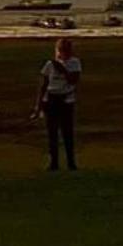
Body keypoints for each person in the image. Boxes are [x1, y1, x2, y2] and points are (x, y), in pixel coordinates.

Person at [34, 36, 82, 170]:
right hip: (51, 99)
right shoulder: (50, 65)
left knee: (68, 132)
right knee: (52, 133)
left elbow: (74, 80)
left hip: (66, 100)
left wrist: (63, 70)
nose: (62, 54)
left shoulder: (75, 63)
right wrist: (39, 106)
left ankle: (71, 162)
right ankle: (53, 162)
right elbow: (43, 85)